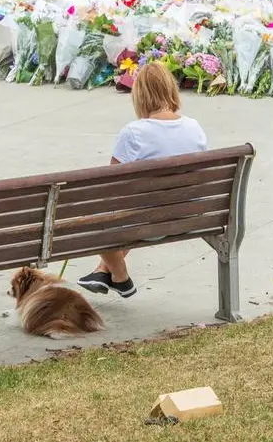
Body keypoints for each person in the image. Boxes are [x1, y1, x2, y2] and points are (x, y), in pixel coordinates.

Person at [76, 62, 207, 299]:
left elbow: (109, 185)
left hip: (147, 222)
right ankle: (103, 271)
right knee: (140, 209)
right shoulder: (194, 127)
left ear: (140, 96)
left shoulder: (134, 132)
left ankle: (121, 277)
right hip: (188, 216)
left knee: (94, 220)